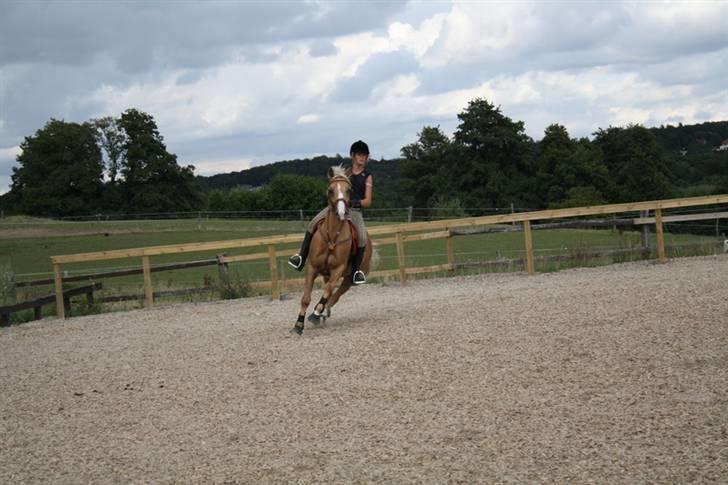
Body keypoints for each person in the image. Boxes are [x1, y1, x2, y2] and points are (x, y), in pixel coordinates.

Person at [288, 140, 373, 285]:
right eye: (359, 154)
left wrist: (354, 203)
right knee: (312, 223)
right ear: (353, 156)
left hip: (354, 211)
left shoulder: (367, 176)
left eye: (364, 155)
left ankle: (356, 272)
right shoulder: (345, 172)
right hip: (334, 207)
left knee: (362, 238)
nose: (362, 158)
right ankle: (301, 257)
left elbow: (368, 201)